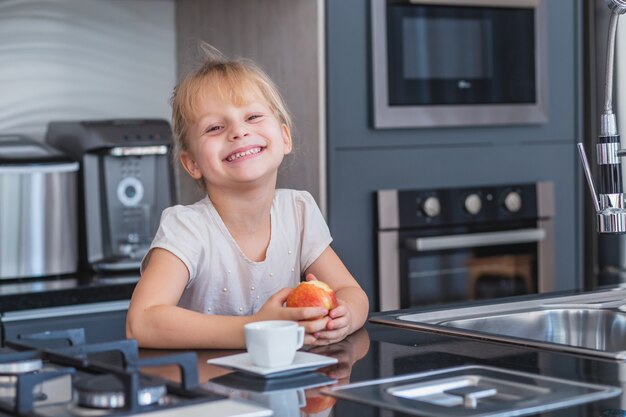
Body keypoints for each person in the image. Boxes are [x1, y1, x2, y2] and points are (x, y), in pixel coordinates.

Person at [126, 46, 369, 349]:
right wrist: (256, 328)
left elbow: (352, 292)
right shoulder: (187, 228)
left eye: (253, 116)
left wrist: (344, 318)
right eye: (215, 127)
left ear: (284, 137)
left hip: (281, 390)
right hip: (206, 391)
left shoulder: (298, 211)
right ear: (192, 164)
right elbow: (142, 322)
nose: (238, 132)